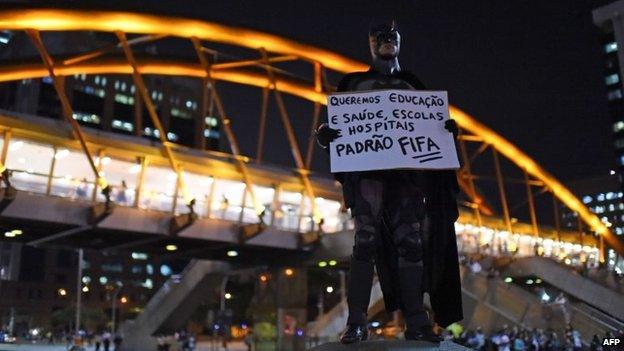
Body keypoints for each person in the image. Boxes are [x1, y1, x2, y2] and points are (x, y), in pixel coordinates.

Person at [316, 18, 461, 344]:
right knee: (365, 241)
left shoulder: (414, 85)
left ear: (399, 41)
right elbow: (335, 128)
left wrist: (447, 133)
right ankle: (356, 322)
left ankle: (417, 321)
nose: (386, 41)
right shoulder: (353, 84)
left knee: (411, 244)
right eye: (380, 37)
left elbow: (434, 126)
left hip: (406, 177)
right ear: (370, 43)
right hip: (368, 174)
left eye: (391, 36)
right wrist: (326, 136)